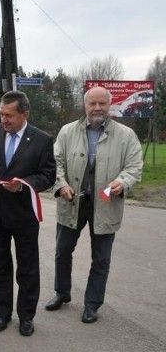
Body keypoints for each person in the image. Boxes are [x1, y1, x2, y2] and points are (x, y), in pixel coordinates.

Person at [45, 86, 143, 323]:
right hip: (72, 201)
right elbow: (54, 162)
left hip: (106, 203)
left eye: (102, 104)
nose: (97, 108)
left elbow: (134, 167)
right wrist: (61, 184)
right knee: (62, 251)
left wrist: (123, 181)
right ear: (85, 106)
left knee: (101, 258)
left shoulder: (126, 135)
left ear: (110, 106)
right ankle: (62, 292)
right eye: (93, 104)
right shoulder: (67, 132)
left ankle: (92, 304)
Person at [0, 90, 56, 336]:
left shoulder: (41, 139)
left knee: (27, 268)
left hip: (24, 215)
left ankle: (26, 316)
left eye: (9, 115)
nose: (4, 120)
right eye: (1, 114)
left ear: (25, 114)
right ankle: (2, 313)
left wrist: (23, 185)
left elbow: (48, 175)